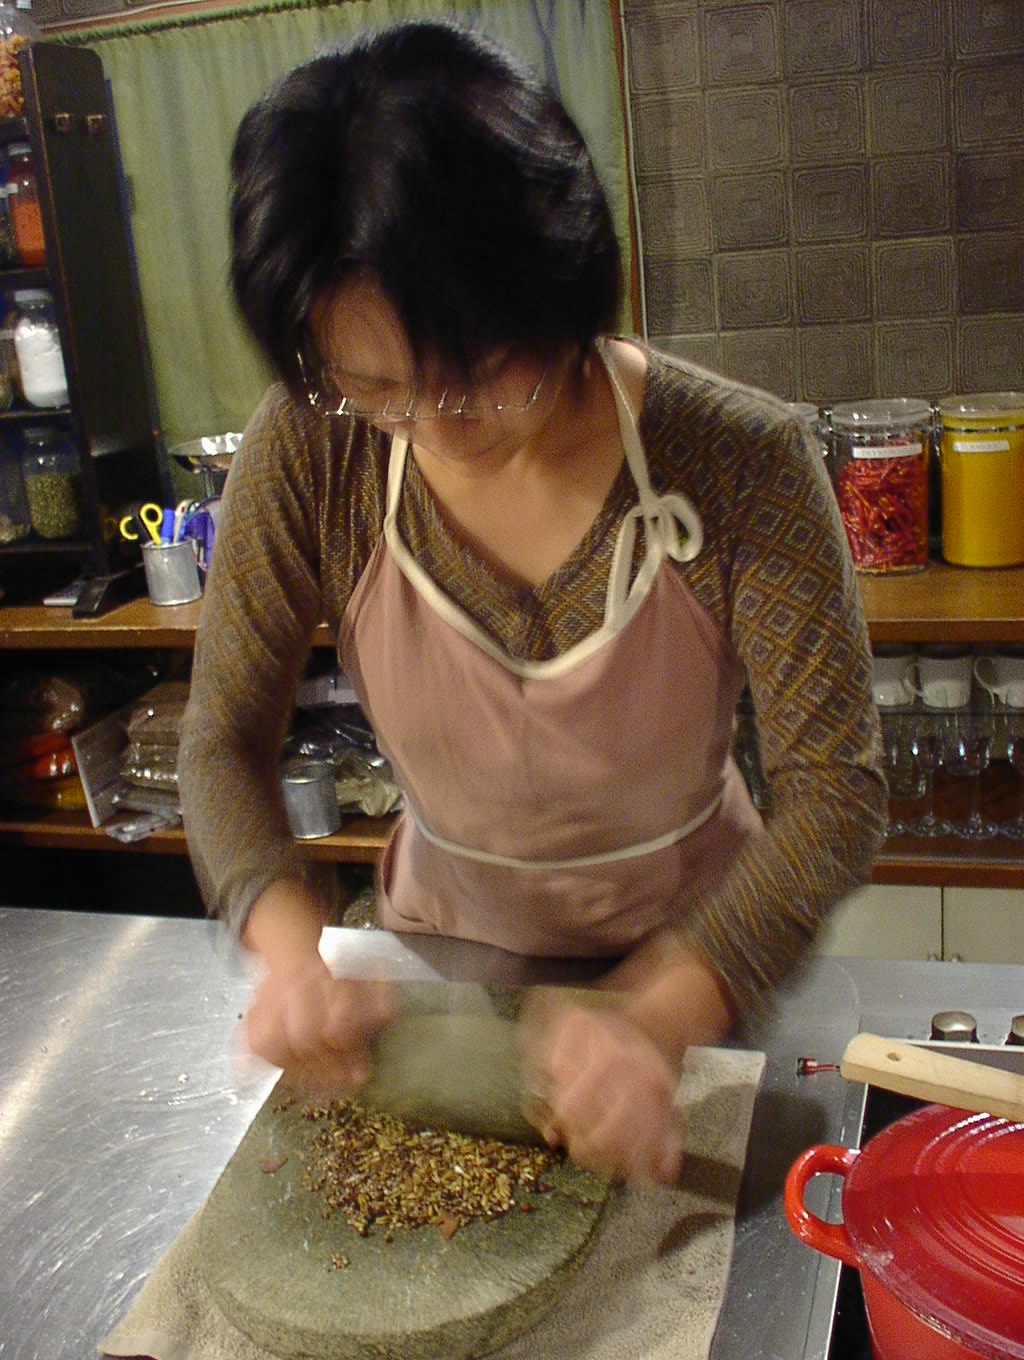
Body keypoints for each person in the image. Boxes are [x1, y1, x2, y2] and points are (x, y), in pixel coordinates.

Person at [179, 19, 886, 1185]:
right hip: (446, 969)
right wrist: (290, 951)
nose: (432, 429)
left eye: (477, 377)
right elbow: (220, 737)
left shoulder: (738, 458)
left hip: (699, 959)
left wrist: (658, 1010)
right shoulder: (314, 447)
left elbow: (833, 793)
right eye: (376, 388)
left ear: (563, 285)